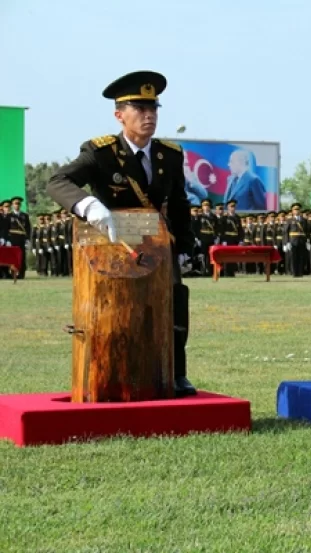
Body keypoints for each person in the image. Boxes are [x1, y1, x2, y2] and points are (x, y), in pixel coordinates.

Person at [46, 70, 197, 396]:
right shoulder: (101, 152)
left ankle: (176, 372)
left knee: (173, 305)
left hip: (158, 246)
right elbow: (58, 182)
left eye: (154, 109)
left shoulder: (168, 155)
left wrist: (185, 246)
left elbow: (181, 205)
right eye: (140, 110)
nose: (149, 116)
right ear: (119, 115)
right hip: (114, 248)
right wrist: (88, 205)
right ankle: (113, 371)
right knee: (118, 311)